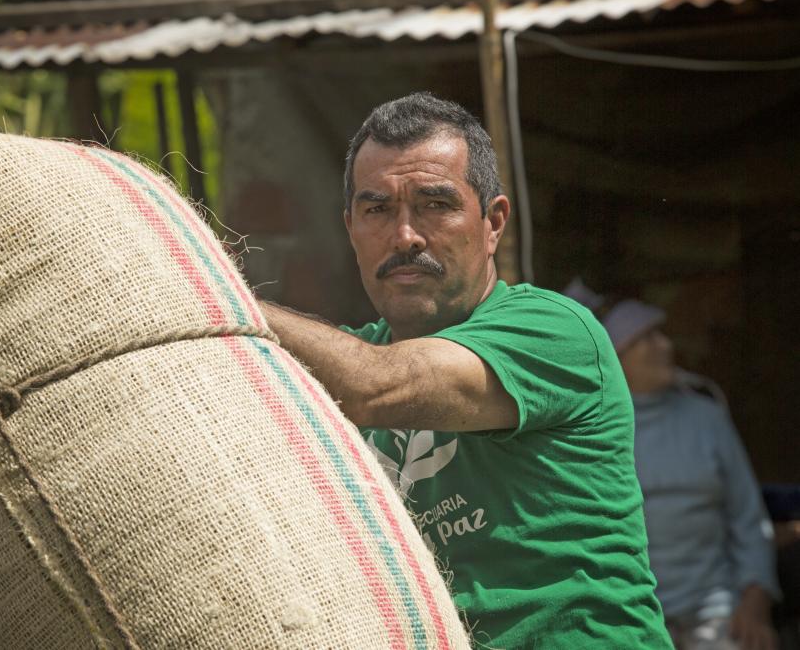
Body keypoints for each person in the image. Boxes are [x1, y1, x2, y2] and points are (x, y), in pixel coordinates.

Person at [262, 92, 671, 648]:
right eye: (377, 209)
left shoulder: (554, 332)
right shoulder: (338, 362)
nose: (404, 236)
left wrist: (207, 293)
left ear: (493, 222)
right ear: (350, 228)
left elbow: (373, 386)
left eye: (435, 204)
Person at [593, 293, 780, 650]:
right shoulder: (597, 428)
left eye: (661, 334)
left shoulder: (706, 417)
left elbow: (749, 518)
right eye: (646, 338)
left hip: (715, 606)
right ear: (618, 358)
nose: (665, 345)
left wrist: (756, 601)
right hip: (631, 609)